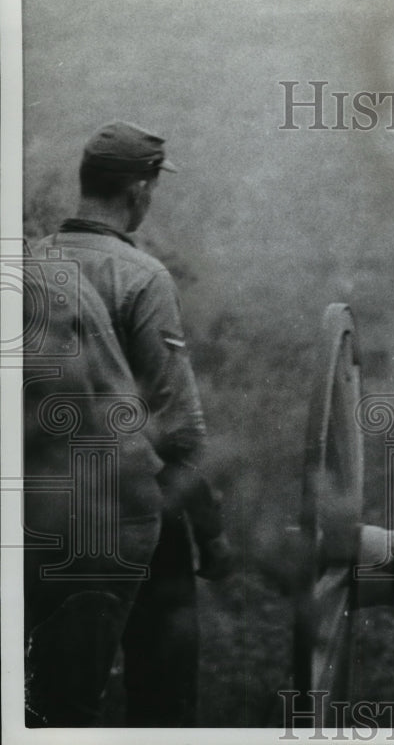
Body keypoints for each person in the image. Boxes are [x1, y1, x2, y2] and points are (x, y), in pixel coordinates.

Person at [37, 121, 233, 725]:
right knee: (162, 688)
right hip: (131, 503)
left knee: (55, 687)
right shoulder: (142, 277)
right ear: (141, 190)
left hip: (43, 500)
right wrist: (211, 531)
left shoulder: (35, 261)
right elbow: (180, 428)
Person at [22, 252, 163, 726]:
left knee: (59, 702)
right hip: (70, 500)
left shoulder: (35, 288)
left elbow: (63, 413)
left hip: (98, 513)